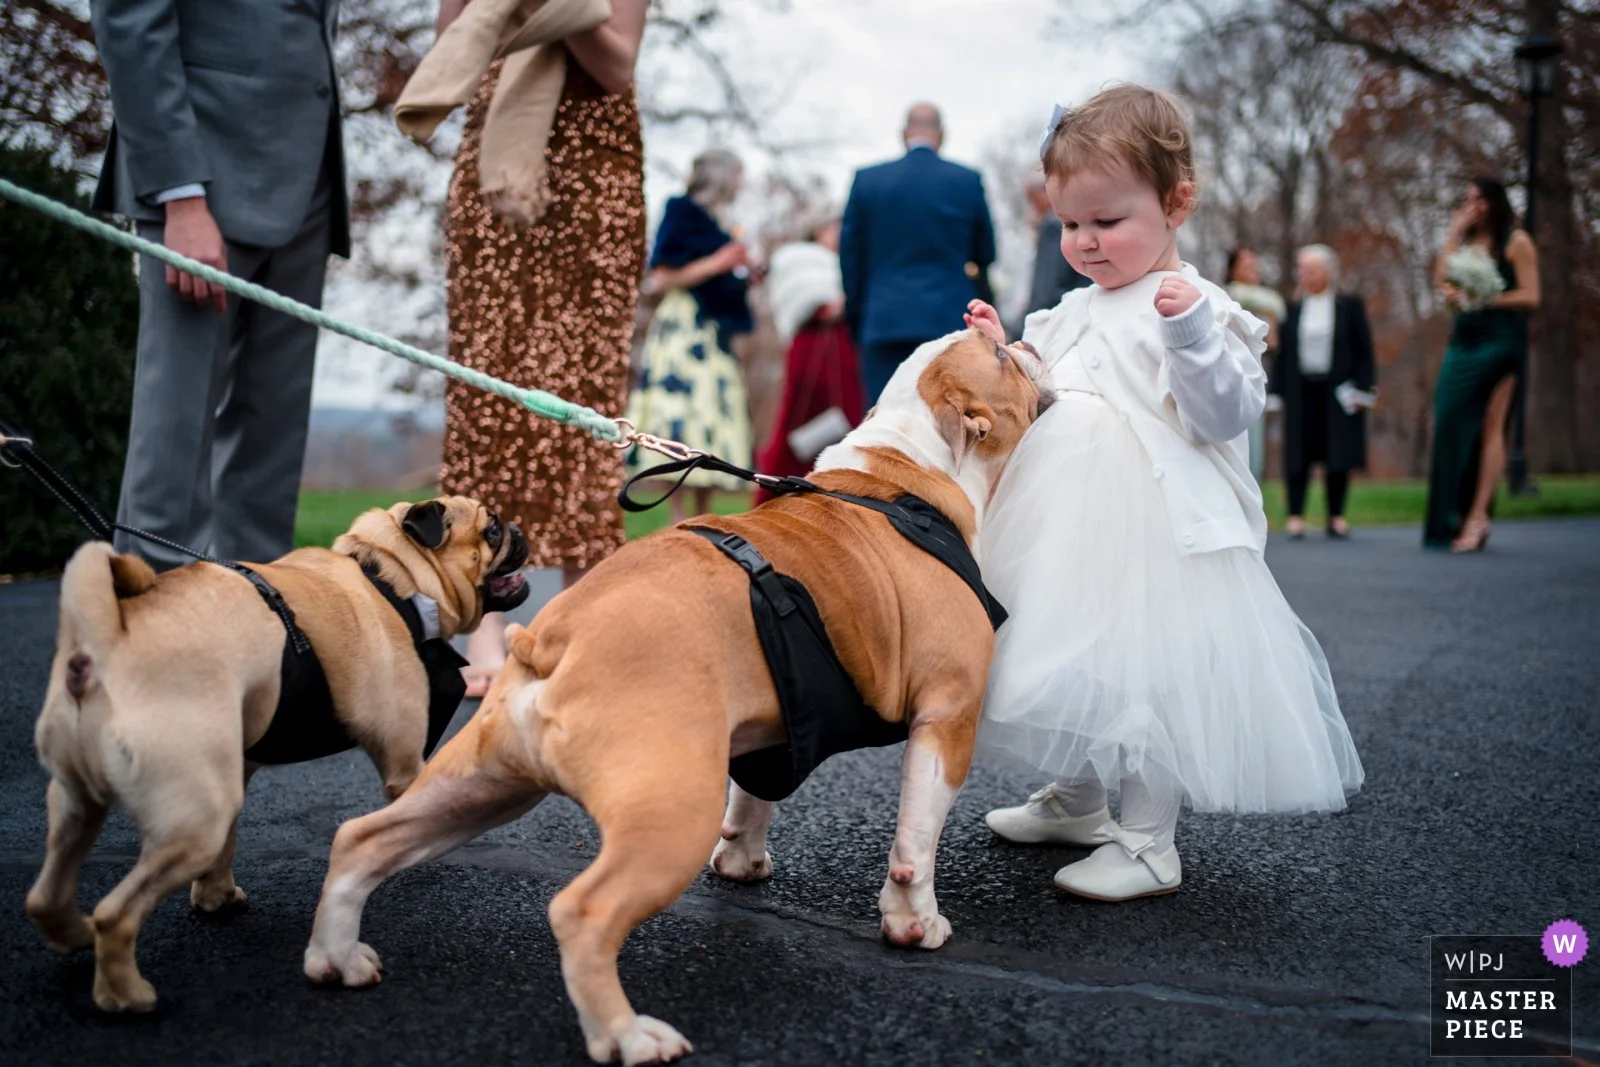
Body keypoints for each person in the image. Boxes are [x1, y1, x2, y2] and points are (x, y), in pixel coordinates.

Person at [963, 85, 1363, 901]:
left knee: (1145, 673)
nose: (1085, 242)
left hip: (1155, 527)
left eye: (1108, 222)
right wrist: (1005, 356)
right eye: (1071, 224)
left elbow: (1225, 414)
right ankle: (1075, 800)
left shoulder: (1201, 307)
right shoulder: (1069, 308)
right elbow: (1046, 391)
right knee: (1057, 651)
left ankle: (1147, 840)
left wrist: (1190, 337)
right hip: (1061, 520)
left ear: (1177, 203)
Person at [435, 0, 650, 697]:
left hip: (596, 175)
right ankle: (484, 623)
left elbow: (616, 62)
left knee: (585, 392)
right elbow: (451, 52)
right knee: (485, 394)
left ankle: (575, 622)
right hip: (497, 167)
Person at [89, 0, 349, 571]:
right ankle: (150, 635)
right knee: (173, 445)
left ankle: (254, 632)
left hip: (309, 178)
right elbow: (129, 16)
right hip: (202, 175)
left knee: (270, 450)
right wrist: (178, 192)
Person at [622, 148, 755, 522]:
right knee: (683, 417)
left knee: (712, 418)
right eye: (739, 175)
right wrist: (720, 262)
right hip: (685, 330)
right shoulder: (681, 210)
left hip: (716, 333)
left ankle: (703, 519)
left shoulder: (721, 222)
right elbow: (662, 277)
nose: (741, 184)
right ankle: (678, 518)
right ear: (723, 175)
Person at [839, 103, 996, 404]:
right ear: (942, 134)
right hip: (950, 321)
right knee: (951, 428)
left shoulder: (867, 181)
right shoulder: (967, 180)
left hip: (884, 322)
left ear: (903, 133)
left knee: (885, 424)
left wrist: (858, 318)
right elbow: (985, 253)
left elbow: (850, 259)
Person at [1423, 178, 1540, 552]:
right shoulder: (1464, 243)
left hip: (1501, 342)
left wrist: (1486, 298)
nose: (1473, 206)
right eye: (1468, 200)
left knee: (1492, 424)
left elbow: (1531, 295)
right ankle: (1446, 516)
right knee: (1448, 417)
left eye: (1480, 199)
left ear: (1495, 201)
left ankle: (1478, 516)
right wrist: (1453, 233)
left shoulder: (1516, 241)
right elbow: (1440, 281)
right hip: (1464, 341)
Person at [752, 214, 864, 503]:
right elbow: (802, 302)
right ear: (820, 229)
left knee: (851, 416)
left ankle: (841, 491)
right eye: (835, 227)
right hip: (812, 346)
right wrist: (830, 305)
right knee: (798, 419)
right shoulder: (797, 260)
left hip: (842, 348)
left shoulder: (845, 264)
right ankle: (776, 492)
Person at [1270, 245, 1376, 539]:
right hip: (1300, 389)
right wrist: (1275, 392)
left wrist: (1364, 389)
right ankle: (1295, 515)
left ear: (1328, 272)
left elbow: (1364, 350)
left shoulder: (1349, 305)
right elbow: (1282, 354)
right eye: (1302, 271)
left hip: (1337, 390)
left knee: (1337, 451)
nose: (1306, 276)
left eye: (1312, 271)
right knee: (1297, 452)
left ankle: (1336, 515)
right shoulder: (1291, 309)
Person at [1223, 246, 1286, 482]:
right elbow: (1275, 305)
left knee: (1255, 449)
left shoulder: (1261, 303)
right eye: (1246, 265)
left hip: (1258, 378)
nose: (1253, 270)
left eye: (1255, 265)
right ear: (1232, 269)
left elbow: (1273, 338)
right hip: (1232, 380)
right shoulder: (1227, 295)